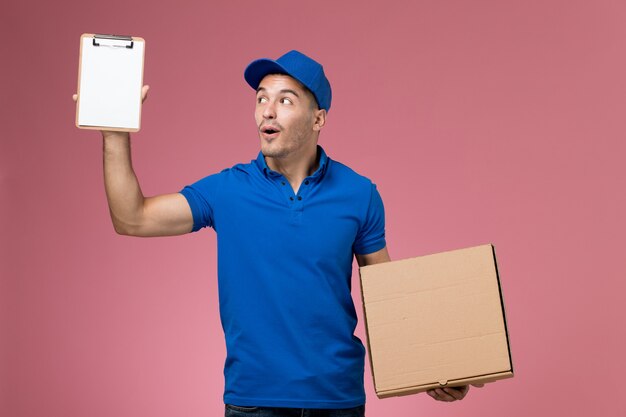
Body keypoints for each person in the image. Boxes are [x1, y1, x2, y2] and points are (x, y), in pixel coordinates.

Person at [74, 50, 481, 417]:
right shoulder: (227, 190)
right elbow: (133, 218)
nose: (267, 111)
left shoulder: (360, 194)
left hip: (338, 400)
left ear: (318, 118)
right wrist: (115, 134)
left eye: (285, 100)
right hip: (254, 402)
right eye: (261, 98)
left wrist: (432, 368)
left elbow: (386, 296)